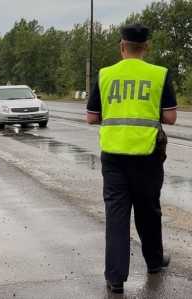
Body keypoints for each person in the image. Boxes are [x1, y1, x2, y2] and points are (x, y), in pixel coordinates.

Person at [86, 24, 177, 294]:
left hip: (113, 157)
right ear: (146, 47)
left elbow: (91, 117)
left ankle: (115, 278)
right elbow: (170, 117)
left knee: (116, 214)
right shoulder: (159, 74)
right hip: (147, 156)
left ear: (121, 46)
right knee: (149, 210)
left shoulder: (105, 75)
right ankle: (153, 262)